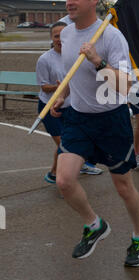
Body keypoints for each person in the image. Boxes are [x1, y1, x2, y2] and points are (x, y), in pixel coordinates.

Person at [51, 0, 139, 266]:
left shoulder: (111, 36)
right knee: (64, 181)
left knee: (123, 187)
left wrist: (97, 61)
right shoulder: (67, 33)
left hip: (111, 120)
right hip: (78, 119)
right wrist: (62, 94)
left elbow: (125, 86)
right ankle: (94, 225)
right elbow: (71, 72)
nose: (69, 2)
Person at [36, 22, 103, 184]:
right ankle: (60, 175)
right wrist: (58, 87)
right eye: (56, 36)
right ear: (51, 38)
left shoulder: (75, 55)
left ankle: (57, 172)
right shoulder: (44, 59)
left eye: (62, 35)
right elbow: (44, 87)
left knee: (69, 144)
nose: (59, 39)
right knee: (65, 144)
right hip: (49, 107)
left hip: (71, 107)